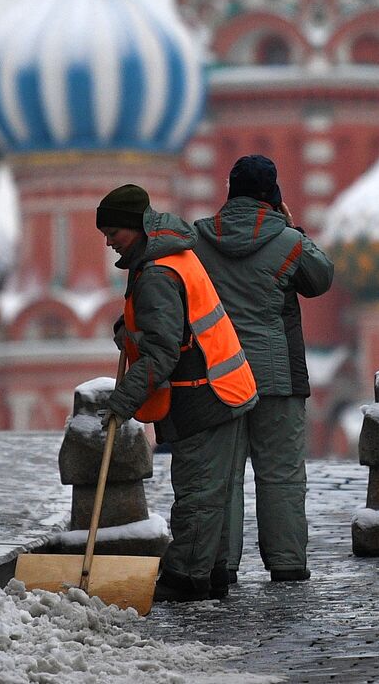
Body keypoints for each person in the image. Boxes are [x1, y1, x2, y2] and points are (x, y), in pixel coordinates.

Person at [96, 183, 258, 603]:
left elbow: (162, 352)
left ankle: (185, 578)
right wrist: (126, 330)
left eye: (114, 232)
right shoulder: (165, 255)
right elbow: (169, 321)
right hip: (223, 388)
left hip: (206, 393)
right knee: (212, 492)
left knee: (197, 493)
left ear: (136, 228)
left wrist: (122, 402)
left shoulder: (156, 272)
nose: (108, 241)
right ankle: (213, 574)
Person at [193, 155, 334, 585]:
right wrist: (294, 229)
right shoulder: (287, 239)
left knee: (222, 474)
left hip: (218, 374)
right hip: (276, 377)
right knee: (282, 475)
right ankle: (287, 564)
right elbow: (320, 279)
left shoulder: (198, 239)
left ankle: (220, 565)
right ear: (271, 195)